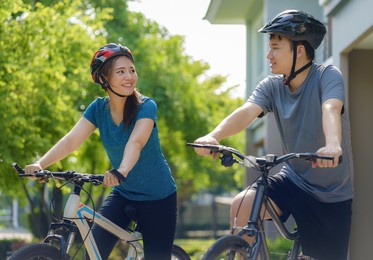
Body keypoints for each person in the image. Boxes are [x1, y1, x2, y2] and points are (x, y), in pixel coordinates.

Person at [193, 10, 353, 260]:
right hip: (293, 179)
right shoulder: (271, 85)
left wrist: (333, 145)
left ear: (299, 50)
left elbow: (330, 108)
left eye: (276, 47)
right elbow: (246, 112)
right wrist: (214, 136)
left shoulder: (327, 76)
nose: (269, 55)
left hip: (330, 193)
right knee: (242, 205)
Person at [24, 43, 177, 259]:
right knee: (93, 253)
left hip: (158, 197)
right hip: (123, 194)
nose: (129, 76)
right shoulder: (98, 109)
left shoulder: (146, 107)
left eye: (132, 70)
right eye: (121, 71)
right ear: (104, 79)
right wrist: (41, 164)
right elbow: (71, 141)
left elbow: (136, 142)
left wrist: (121, 171)